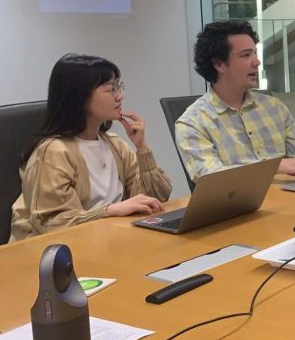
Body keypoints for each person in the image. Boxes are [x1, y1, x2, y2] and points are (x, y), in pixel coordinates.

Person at [9, 54, 172, 243]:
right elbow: (51, 224)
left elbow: (158, 198)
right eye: (111, 89)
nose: (120, 96)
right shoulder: (54, 152)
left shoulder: (115, 145)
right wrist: (109, 211)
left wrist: (142, 147)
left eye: (119, 87)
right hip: (52, 255)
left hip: (107, 242)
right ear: (81, 97)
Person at [176, 20, 295, 181]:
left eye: (255, 53)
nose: (257, 62)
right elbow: (211, 178)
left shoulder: (275, 107)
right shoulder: (192, 123)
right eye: (246, 55)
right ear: (219, 64)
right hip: (240, 205)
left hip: (293, 199)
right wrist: (274, 167)